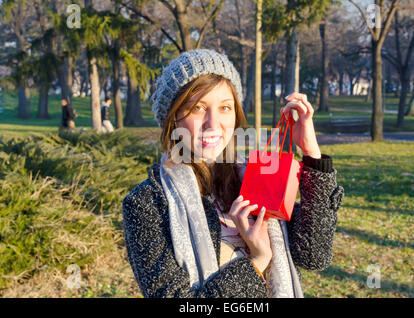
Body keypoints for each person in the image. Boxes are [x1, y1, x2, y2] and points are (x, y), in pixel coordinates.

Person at [122, 49, 345, 298]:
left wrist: (311, 152)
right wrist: (257, 261)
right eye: (198, 107)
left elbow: (314, 254)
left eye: (225, 107)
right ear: (173, 119)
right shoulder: (147, 203)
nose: (213, 123)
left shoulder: (254, 177)